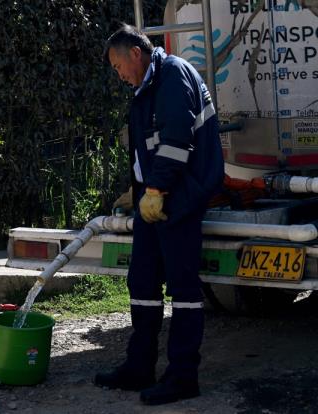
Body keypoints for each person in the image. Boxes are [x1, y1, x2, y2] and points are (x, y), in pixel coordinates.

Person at [94, 24, 224, 405]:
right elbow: (147, 146)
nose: (119, 75)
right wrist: (138, 189)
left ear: (136, 53)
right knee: (143, 281)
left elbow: (176, 139)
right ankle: (139, 367)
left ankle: (183, 377)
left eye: (119, 66)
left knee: (183, 289)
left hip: (179, 196)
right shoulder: (145, 86)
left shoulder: (173, 75)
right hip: (156, 196)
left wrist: (155, 189)